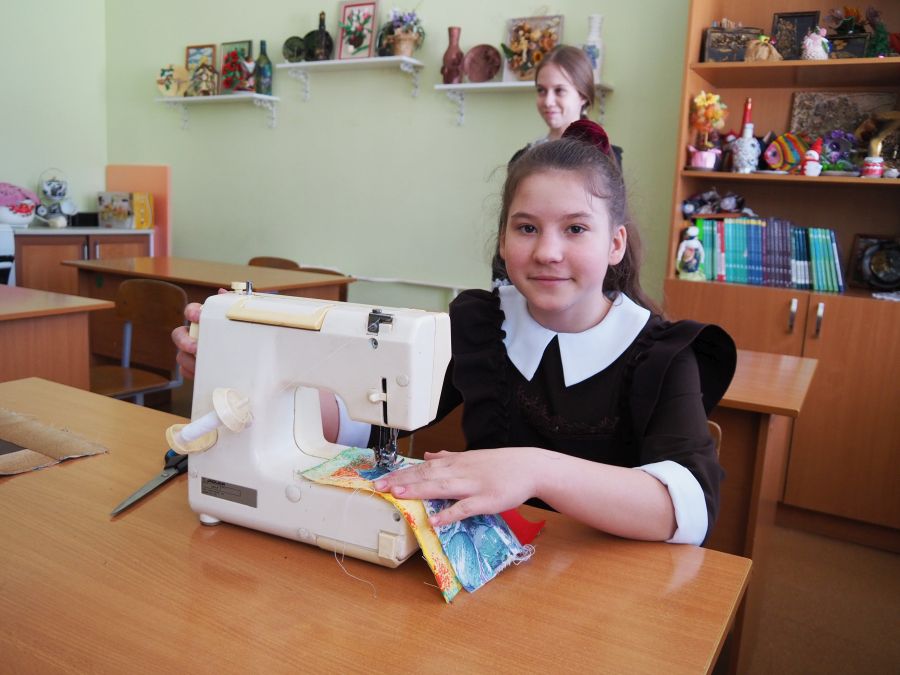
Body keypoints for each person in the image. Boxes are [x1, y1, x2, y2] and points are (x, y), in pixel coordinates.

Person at [173, 120, 736, 547]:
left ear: (615, 244)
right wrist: (251, 374)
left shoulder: (664, 356)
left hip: (609, 593)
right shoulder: (480, 325)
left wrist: (534, 469)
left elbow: (687, 509)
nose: (547, 251)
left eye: (575, 228)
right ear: (502, 241)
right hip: (489, 573)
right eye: (526, 228)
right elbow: (364, 414)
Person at [492, 45, 621, 286]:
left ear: (583, 95)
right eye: (541, 91)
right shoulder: (522, 158)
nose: (548, 101)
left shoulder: (604, 159)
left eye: (559, 90)